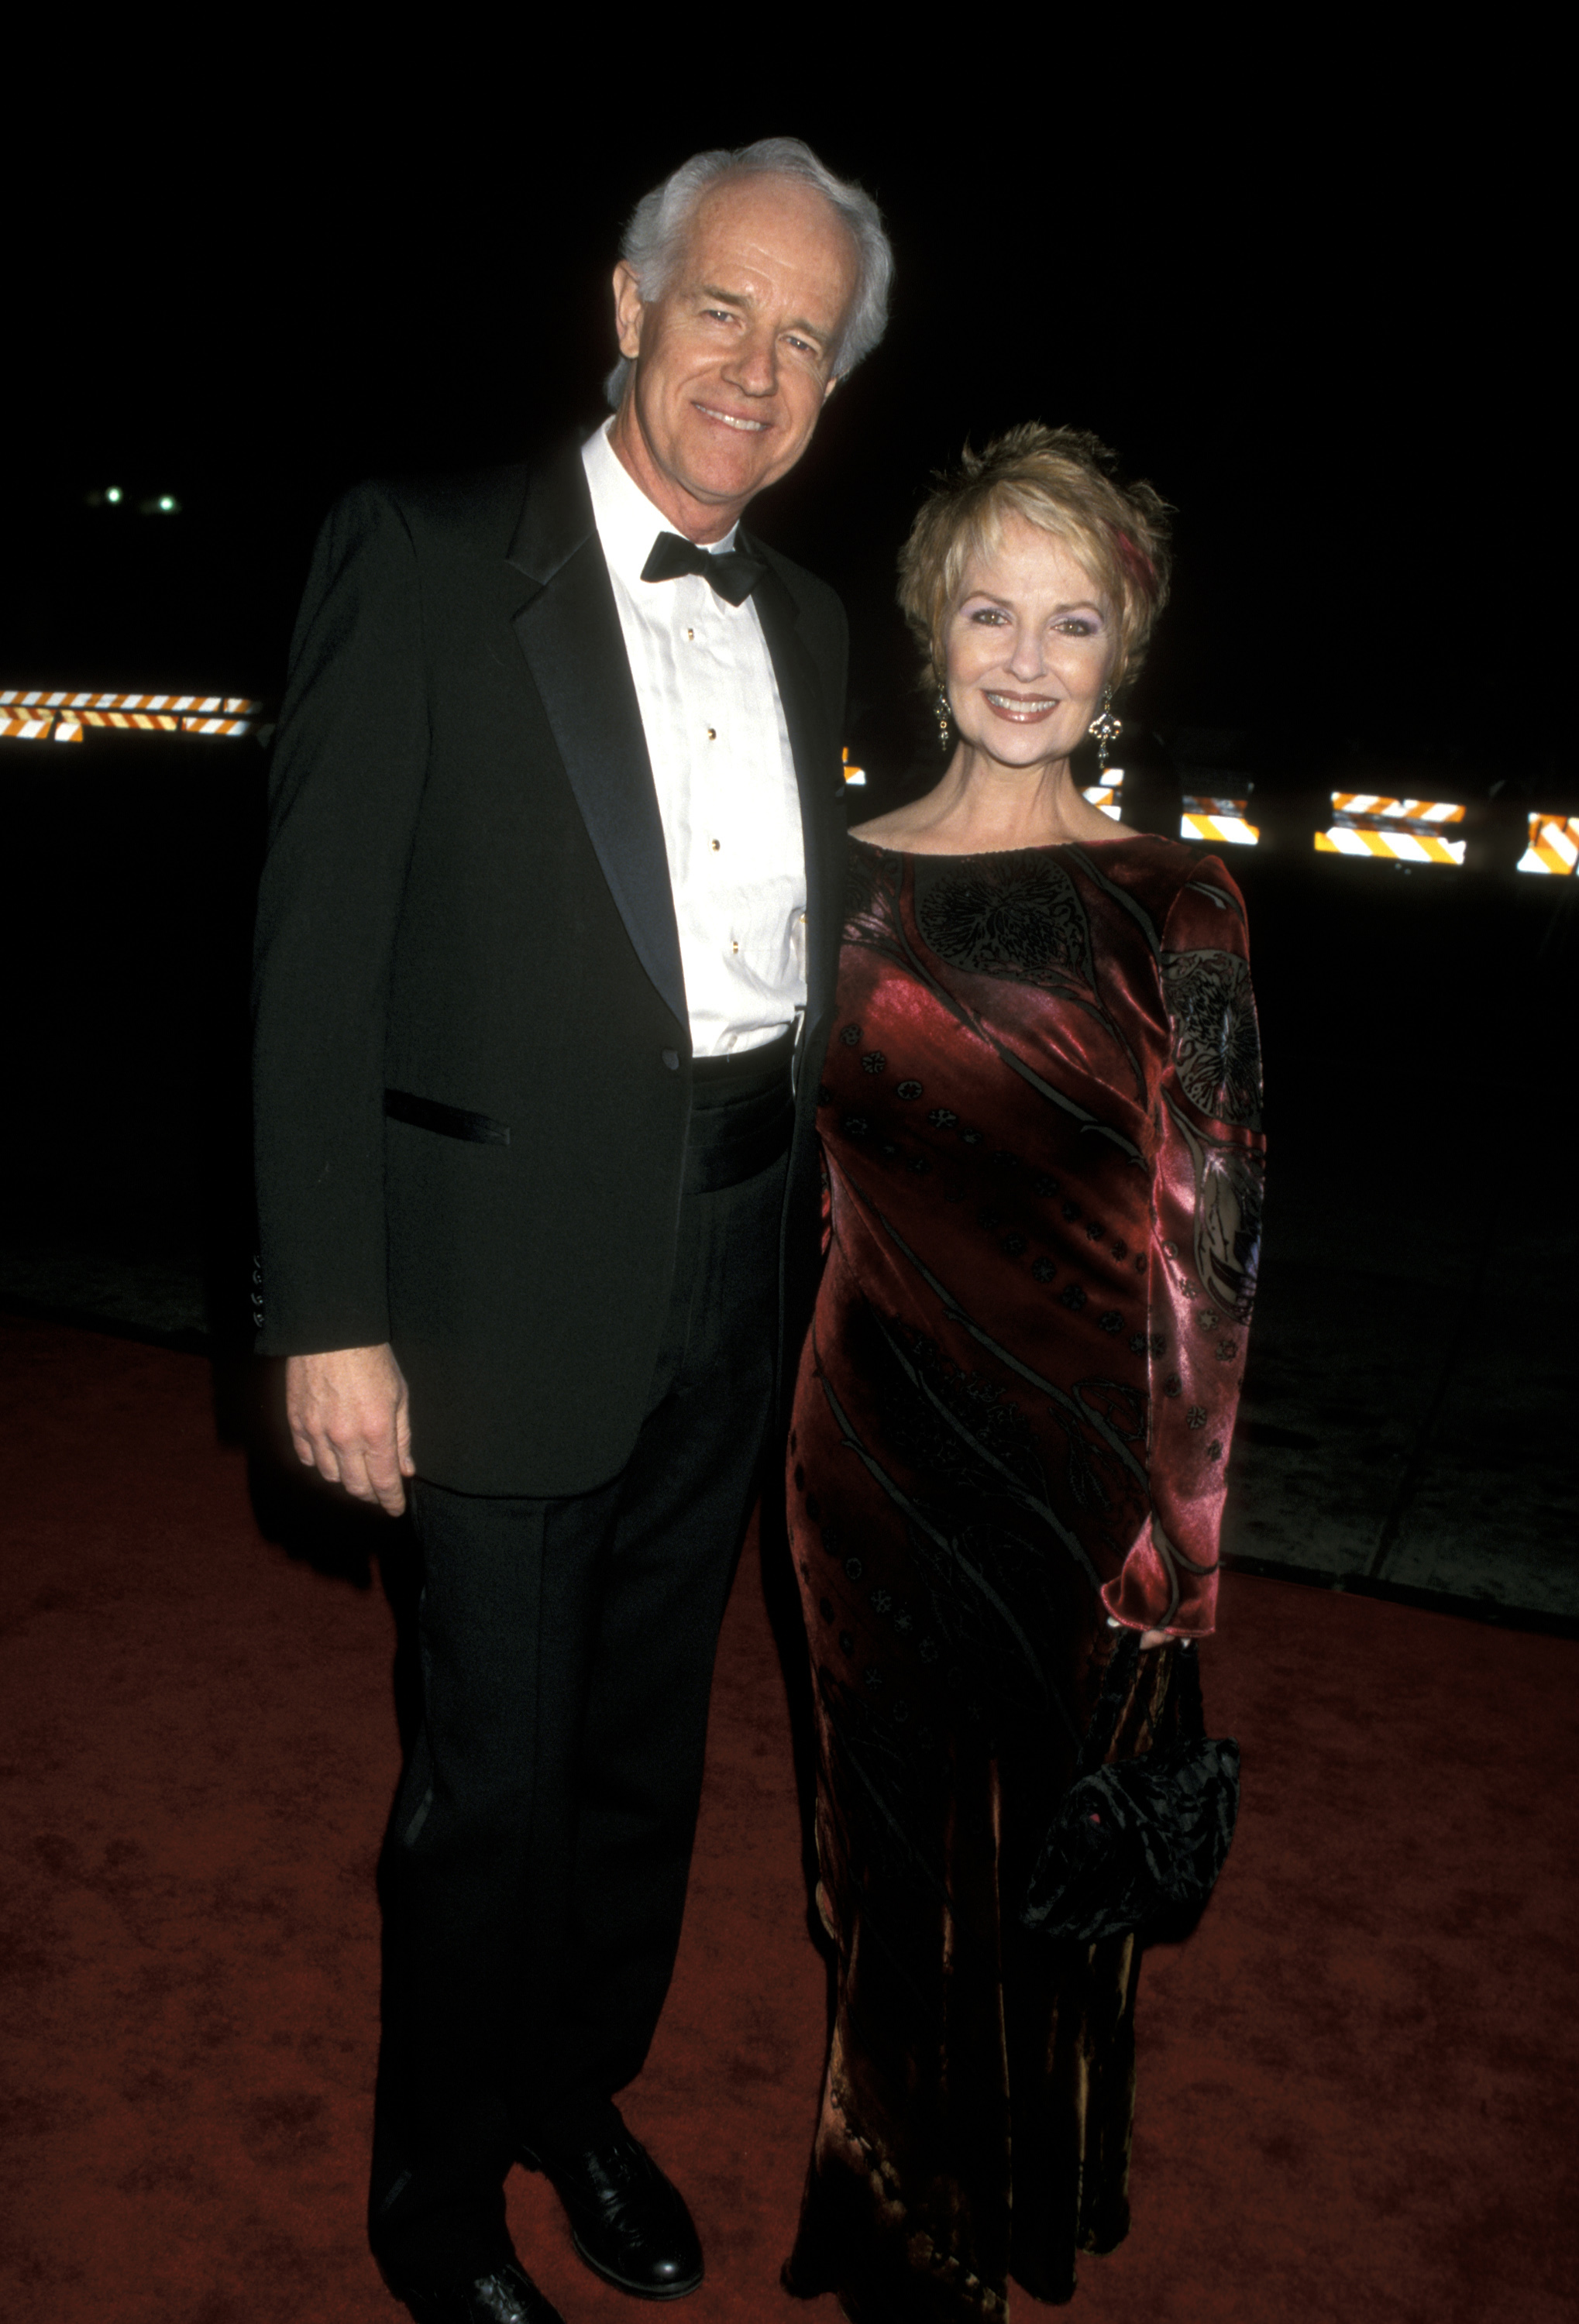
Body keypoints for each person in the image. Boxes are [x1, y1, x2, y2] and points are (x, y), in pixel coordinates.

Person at [251, 139, 892, 2324]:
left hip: (739, 1265)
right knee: (489, 1797)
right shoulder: (424, 556)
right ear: (625, 309)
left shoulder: (804, 625)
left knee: (638, 1771)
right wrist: (326, 1309)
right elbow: (310, 968)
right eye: (723, 306)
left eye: (805, 337)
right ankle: (435, 2206)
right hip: (490, 1292)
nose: (757, 363)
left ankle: (568, 2102)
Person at [782, 425, 1265, 2318]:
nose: (1023, 656)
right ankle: (899, 2209)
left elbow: (1215, 1237)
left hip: (1081, 1468)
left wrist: (1182, 1528)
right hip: (862, 1443)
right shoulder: (830, 876)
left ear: (1117, 650)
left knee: (1056, 1850)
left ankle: (1035, 2180)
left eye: (1071, 621)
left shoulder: (1178, 903)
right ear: (931, 625)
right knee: (883, 1845)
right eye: (990, 607)